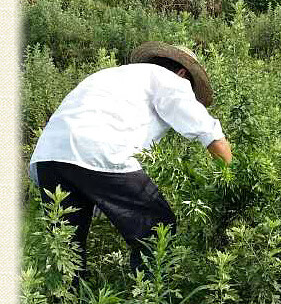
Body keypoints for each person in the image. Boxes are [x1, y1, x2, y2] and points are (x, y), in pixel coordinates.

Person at [29, 41, 232, 279]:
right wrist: (234, 181)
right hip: (101, 149)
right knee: (158, 227)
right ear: (182, 73)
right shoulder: (171, 81)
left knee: (66, 246)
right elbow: (210, 134)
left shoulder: (113, 76)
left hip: (50, 154)